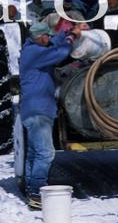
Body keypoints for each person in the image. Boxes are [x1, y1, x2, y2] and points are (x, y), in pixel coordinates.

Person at [19, 21, 81, 209]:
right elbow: (59, 53)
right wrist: (72, 38)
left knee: (34, 153)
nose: (48, 38)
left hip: (34, 110)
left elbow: (53, 45)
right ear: (38, 37)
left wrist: (67, 32)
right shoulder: (34, 53)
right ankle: (38, 193)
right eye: (46, 36)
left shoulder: (33, 50)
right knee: (46, 153)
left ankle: (31, 190)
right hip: (38, 110)